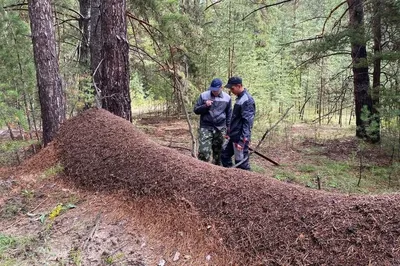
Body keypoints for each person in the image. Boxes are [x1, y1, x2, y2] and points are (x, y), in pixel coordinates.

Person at [193, 78, 232, 165]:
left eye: (216, 90)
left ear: (221, 88)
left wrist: (228, 129)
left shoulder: (227, 98)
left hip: (220, 128)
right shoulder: (203, 96)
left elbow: (229, 114)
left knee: (219, 154)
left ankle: (217, 172)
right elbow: (196, 110)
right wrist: (205, 106)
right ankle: (202, 170)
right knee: (204, 152)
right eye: (212, 90)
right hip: (206, 127)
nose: (214, 92)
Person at [221, 76, 256, 170]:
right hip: (233, 135)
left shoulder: (247, 100)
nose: (231, 91)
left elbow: (247, 123)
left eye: (232, 88)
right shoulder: (239, 98)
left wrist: (242, 141)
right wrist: (229, 132)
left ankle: (250, 182)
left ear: (239, 86)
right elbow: (235, 119)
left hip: (240, 137)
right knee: (224, 155)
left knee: (241, 163)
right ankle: (232, 177)